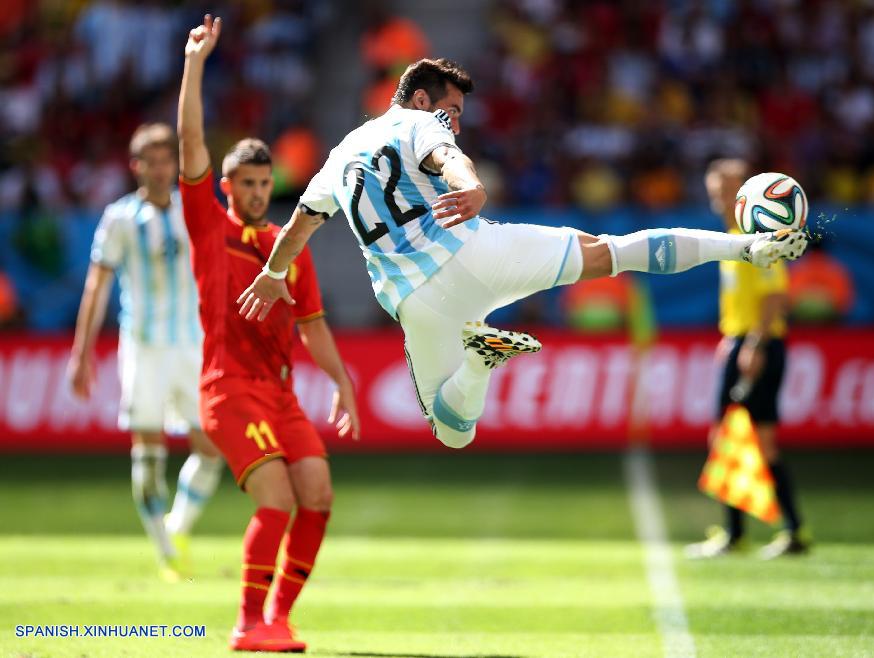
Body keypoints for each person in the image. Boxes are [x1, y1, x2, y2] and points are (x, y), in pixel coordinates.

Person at [239, 57, 807, 454]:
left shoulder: (336, 158)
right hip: (473, 250)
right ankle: (749, 247)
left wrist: (272, 273)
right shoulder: (418, 123)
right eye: (452, 109)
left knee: (451, 429)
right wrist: (474, 183)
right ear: (418, 99)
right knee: (613, 254)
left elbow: (297, 225)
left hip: (416, 300)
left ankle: (481, 362)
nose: (455, 121)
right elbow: (446, 158)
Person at [177, 15, 360, 653]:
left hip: (279, 392)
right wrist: (195, 63)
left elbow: (312, 323)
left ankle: (279, 617)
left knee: (318, 495)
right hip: (228, 389)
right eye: (246, 184)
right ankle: (248, 623)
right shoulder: (208, 226)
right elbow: (192, 139)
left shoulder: (290, 246)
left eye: (263, 183)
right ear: (226, 187)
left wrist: (339, 378)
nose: (257, 192)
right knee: (276, 498)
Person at [68, 122, 223, 582]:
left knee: (212, 446)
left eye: (166, 160)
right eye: (150, 161)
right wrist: (81, 353)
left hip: (193, 347)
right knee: (148, 449)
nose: (159, 169)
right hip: (143, 347)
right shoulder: (119, 218)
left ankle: (174, 531)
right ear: (136, 166)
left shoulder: (193, 210)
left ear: (175, 164)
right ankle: (165, 549)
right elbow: (96, 285)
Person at [685, 158, 810, 560]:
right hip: (745, 341)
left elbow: (775, 295)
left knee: (727, 438)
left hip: (757, 345)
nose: (718, 198)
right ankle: (790, 531)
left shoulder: (756, 238)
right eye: (714, 191)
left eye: (725, 190)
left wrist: (752, 344)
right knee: (763, 443)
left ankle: (736, 534)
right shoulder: (735, 236)